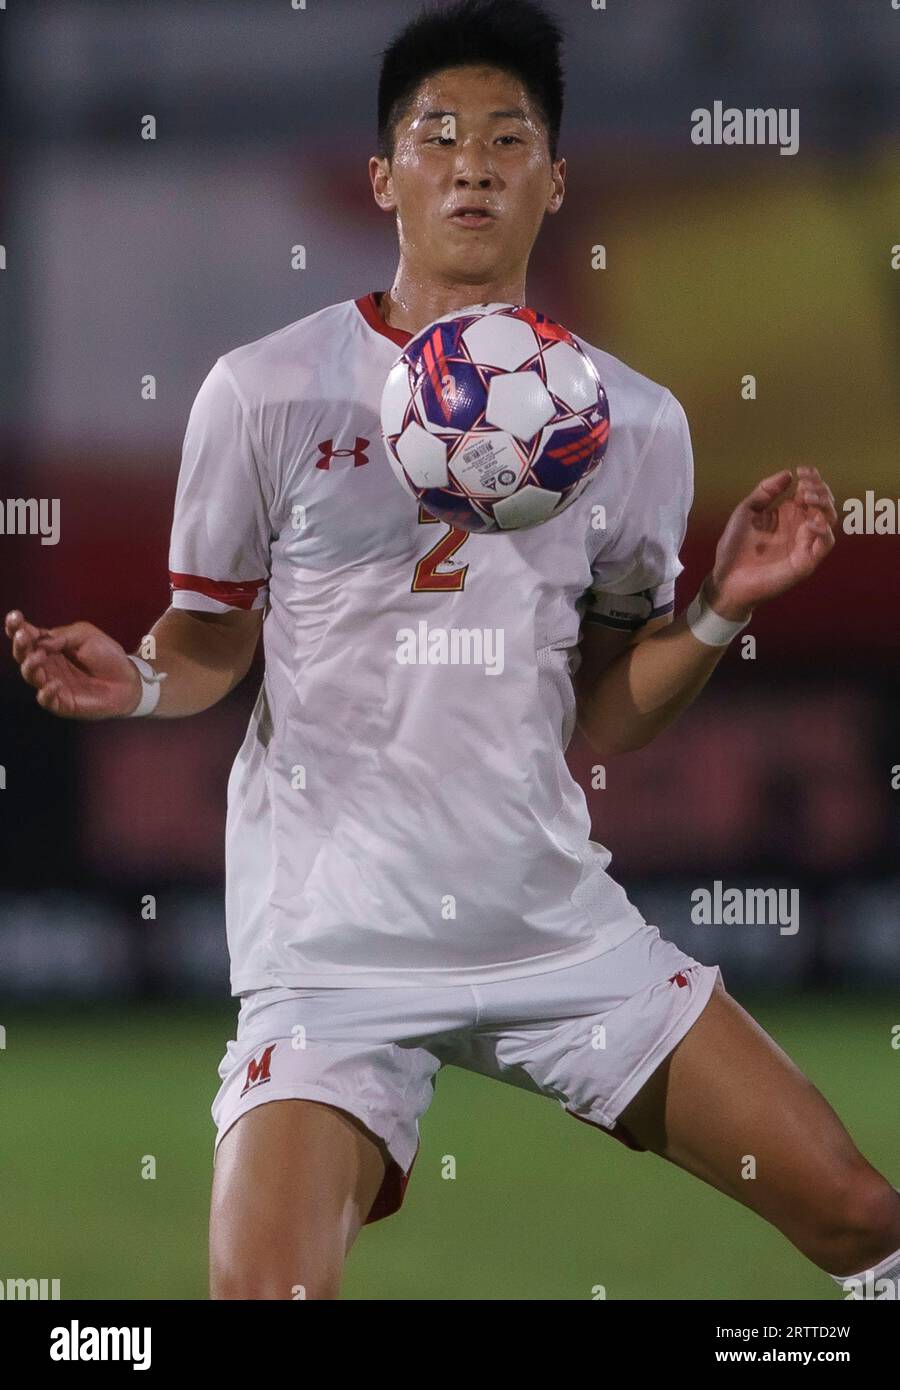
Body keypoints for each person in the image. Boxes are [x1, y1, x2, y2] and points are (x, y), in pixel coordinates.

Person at [6, 0, 899, 1301]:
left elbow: (615, 711)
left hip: (547, 922)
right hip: (335, 946)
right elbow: (206, 642)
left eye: (506, 135)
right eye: (437, 135)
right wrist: (139, 678)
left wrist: (720, 604)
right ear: (383, 176)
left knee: (862, 1215)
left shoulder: (634, 427)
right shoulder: (265, 392)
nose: (471, 160)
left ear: (554, 178)